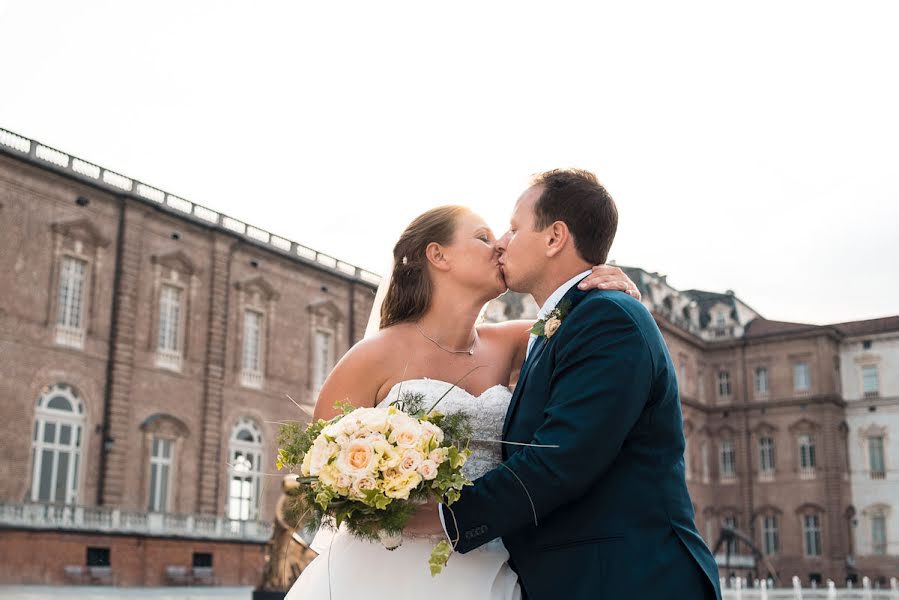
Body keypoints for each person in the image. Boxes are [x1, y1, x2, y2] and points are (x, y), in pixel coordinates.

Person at [285, 200, 639, 599]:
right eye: (483, 238)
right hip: (383, 570)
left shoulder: (515, 341)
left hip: (490, 562)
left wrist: (606, 283)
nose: (500, 246)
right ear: (439, 256)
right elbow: (320, 471)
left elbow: (589, 325)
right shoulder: (373, 356)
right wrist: (384, 496)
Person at [405, 169, 721, 599]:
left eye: (515, 228)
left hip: (629, 579)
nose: (501, 241)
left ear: (555, 238)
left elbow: (560, 459)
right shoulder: (567, 321)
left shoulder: (608, 317)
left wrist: (438, 518)